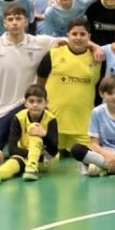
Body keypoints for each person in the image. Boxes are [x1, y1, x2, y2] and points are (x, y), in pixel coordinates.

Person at [0, 4, 60, 150]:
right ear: (4, 23)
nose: (14, 23)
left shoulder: (40, 43)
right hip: (0, 112)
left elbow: (71, 41)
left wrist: (95, 47)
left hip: (29, 108)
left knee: (34, 147)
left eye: (18, 18)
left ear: (26, 21)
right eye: (10, 19)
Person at [37, 18, 101, 154]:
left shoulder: (98, 57)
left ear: (89, 37)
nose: (78, 38)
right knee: (46, 159)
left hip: (83, 126)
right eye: (74, 34)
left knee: (91, 160)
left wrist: (97, 47)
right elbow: (40, 81)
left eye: (82, 34)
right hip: (53, 123)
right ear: (68, 35)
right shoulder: (54, 54)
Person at [0, 85, 59, 182]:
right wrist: (31, 154)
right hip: (24, 155)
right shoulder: (18, 118)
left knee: (34, 128)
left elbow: (54, 151)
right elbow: (12, 149)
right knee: (13, 163)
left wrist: (44, 134)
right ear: (25, 103)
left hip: (45, 158)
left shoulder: (51, 119)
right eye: (31, 101)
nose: (35, 105)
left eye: (39, 101)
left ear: (46, 103)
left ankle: (32, 168)